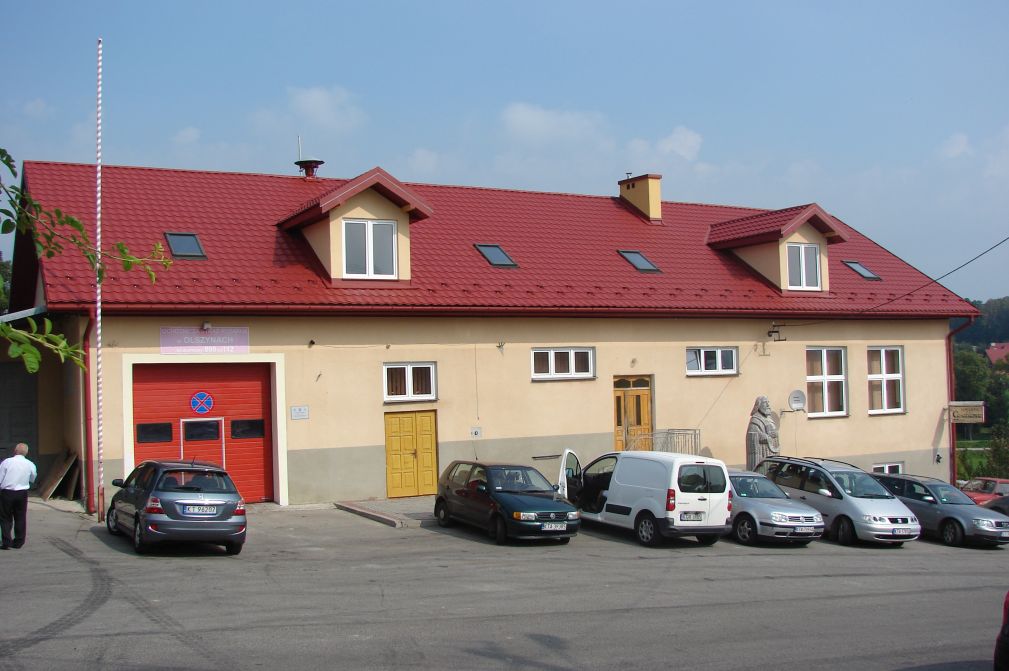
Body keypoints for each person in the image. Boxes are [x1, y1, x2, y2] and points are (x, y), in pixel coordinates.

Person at [0, 443, 37, 550]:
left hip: (7, 492)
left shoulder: (7, 462)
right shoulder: (30, 464)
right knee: (20, 517)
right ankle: (19, 541)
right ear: (26, 452)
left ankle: (6, 541)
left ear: (15, 451)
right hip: (22, 493)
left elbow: (0, 477)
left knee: (5, 517)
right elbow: (33, 478)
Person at [746, 396, 780, 471]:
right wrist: (766, 437)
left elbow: (775, 433)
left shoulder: (769, 419)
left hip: (772, 454)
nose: (768, 405)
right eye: (765, 402)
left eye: (768, 402)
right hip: (762, 454)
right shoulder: (755, 420)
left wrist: (776, 434)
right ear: (759, 405)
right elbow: (752, 436)